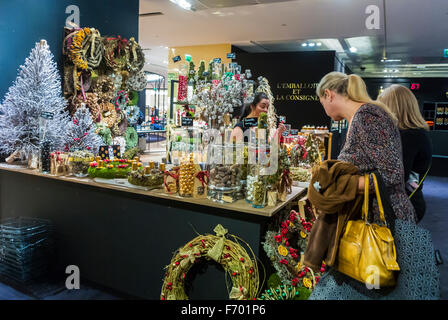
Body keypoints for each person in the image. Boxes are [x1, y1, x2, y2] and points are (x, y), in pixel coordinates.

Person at [306, 72, 440, 300]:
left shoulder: (367, 116)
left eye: (321, 102)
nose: (324, 108)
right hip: (376, 220)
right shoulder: (362, 117)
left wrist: (341, 185)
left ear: (328, 95)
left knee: (380, 289)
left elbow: (391, 174)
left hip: (383, 223)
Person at [378, 84, 432, 222]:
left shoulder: (409, 136)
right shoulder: (414, 133)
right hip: (408, 203)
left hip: (404, 207)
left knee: (395, 243)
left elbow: (395, 176)